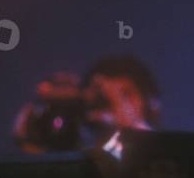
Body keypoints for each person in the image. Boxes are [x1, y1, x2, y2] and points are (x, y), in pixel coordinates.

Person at [12, 54, 160, 153]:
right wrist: (31, 141)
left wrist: (129, 127)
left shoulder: (168, 159)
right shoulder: (87, 156)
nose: (111, 102)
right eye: (100, 100)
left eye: (126, 94)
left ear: (151, 105)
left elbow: (146, 160)